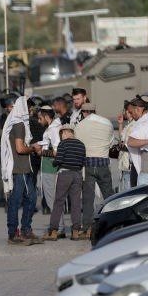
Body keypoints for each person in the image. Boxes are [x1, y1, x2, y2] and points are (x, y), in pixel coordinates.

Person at [0, 96, 42, 245]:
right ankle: (14, 233)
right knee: (17, 201)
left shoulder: (18, 123)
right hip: (20, 168)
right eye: (29, 107)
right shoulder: (19, 125)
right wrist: (33, 148)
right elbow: (20, 148)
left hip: (24, 167)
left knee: (30, 199)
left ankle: (25, 230)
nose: (30, 110)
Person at [75, 102, 116, 235]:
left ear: (83, 112)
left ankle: (87, 227)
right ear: (94, 111)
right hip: (103, 163)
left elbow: (78, 145)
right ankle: (113, 223)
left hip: (87, 164)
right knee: (108, 195)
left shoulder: (79, 126)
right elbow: (111, 142)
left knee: (88, 198)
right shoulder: (107, 123)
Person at [45, 125, 86, 241]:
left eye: (61, 134)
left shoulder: (63, 144)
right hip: (77, 175)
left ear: (65, 132)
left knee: (58, 202)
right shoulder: (81, 144)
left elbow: (59, 160)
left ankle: (53, 231)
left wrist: (53, 163)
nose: (60, 137)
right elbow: (83, 161)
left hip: (64, 174)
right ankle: (76, 232)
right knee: (76, 203)